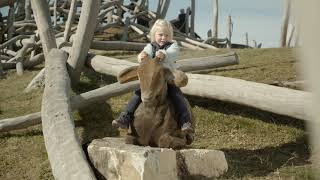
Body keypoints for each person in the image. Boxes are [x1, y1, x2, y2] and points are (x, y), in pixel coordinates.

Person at [112, 19, 193, 133]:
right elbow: (144, 55)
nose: (163, 38)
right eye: (160, 35)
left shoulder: (173, 46)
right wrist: (142, 56)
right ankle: (125, 117)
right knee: (138, 94)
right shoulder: (151, 46)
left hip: (167, 76)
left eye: (167, 35)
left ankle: (185, 121)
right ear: (154, 35)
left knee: (176, 95)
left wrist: (164, 54)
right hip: (152, 78)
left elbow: (173, 54)